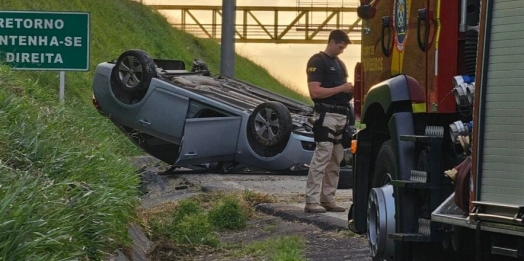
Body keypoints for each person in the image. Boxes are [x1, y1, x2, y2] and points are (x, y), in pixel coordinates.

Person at [304, 29, 354, 213]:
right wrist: (341, 88)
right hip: (326, 116)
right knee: (322, 157)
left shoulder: (340, 64)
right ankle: (312, 201)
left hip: (341, 116)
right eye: (340, 46)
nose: (341, 51)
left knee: (335, 160)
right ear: (332, 42)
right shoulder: (318, 61)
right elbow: (315, 92)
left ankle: (327, 198)